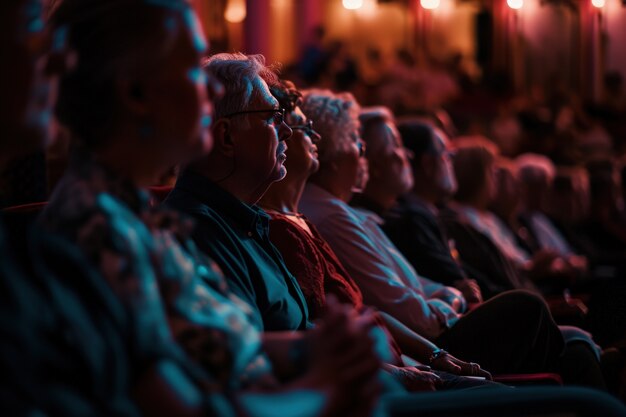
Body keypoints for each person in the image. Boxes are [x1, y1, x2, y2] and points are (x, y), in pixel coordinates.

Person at [38, 2, 381, 416]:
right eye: (190, 67)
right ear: (135, 93)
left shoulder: (133, 214)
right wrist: (325, 387)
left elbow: (210, 347)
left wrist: (313, 347)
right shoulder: (97, 230)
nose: (213, 90)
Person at [258, 79, 497, 391]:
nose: (364, 155)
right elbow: (395, 309)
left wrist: (435, 354)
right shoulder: (323, 215)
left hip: (405, 355)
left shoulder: (313, 216)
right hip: (385, 372)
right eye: (358, 142)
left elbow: (369, 308)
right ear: (334, 153)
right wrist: (446, 310)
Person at [380, 120, 482, 304]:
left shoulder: (427, 214)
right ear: (427, 163)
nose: (451, 161)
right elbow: (457, 282)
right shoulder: (412, 219)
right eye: (446, 154)